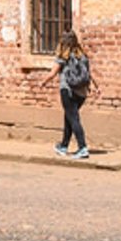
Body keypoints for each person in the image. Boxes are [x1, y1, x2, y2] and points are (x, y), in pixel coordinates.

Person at [43, 30, 97, 160]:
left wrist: (43, 82)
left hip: (68, 91)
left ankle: (82, 147)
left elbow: (52, 73)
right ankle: (63, 146)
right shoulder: (82, 55)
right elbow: (89, 74)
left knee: (73, 119)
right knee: (69, 117)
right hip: (82, 93)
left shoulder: (63, 56)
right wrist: (96, 86)